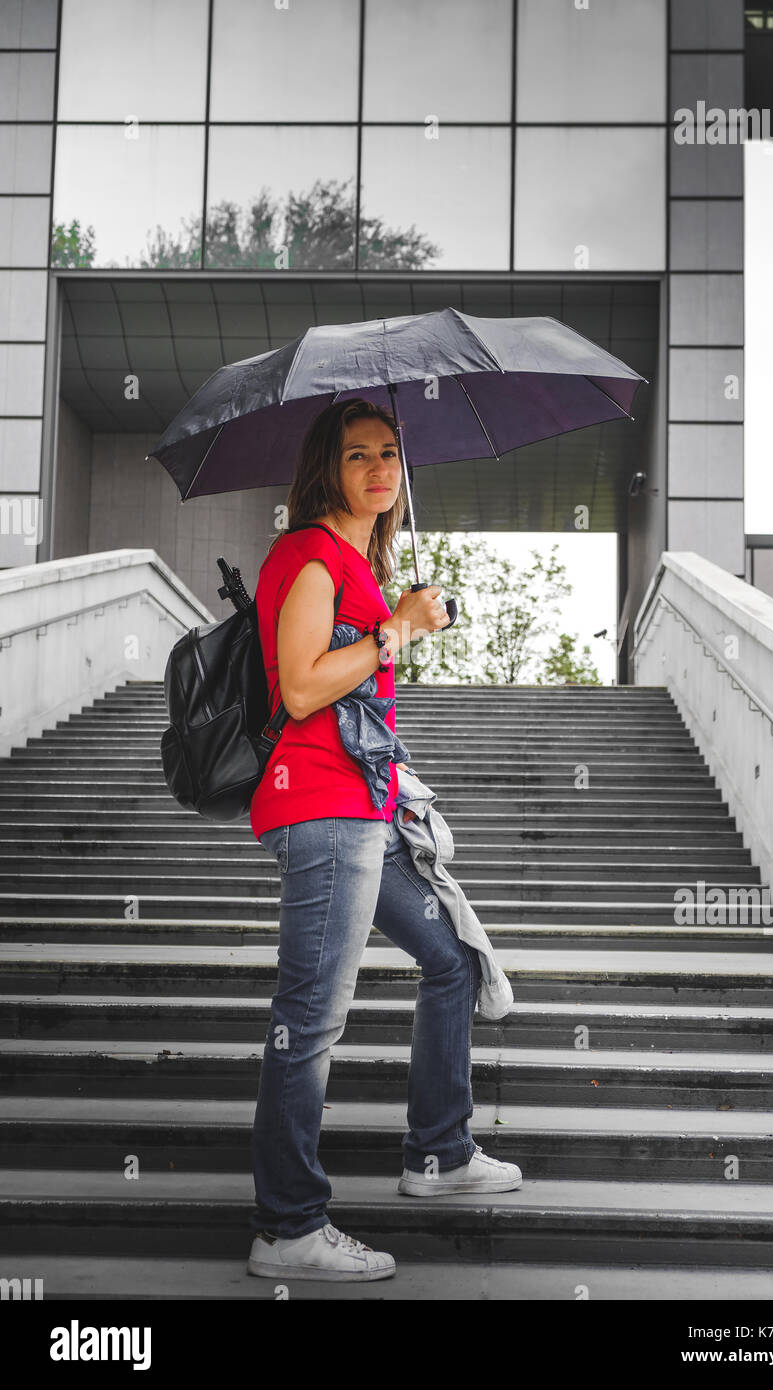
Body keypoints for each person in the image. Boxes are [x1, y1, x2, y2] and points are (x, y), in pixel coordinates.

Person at [246, 397, 521, 1283]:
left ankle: (437, 1155)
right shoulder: (311, 555)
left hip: (365, 805)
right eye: (357, 453)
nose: (378, 469)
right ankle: (288, 1227)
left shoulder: (360, 562)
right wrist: (397, 630)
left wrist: (399, 615)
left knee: (451, 958)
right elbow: (298, 689)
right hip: (322, 808)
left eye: (390, 454)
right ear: (328, 467)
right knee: (310, 1021)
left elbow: (355, 678)